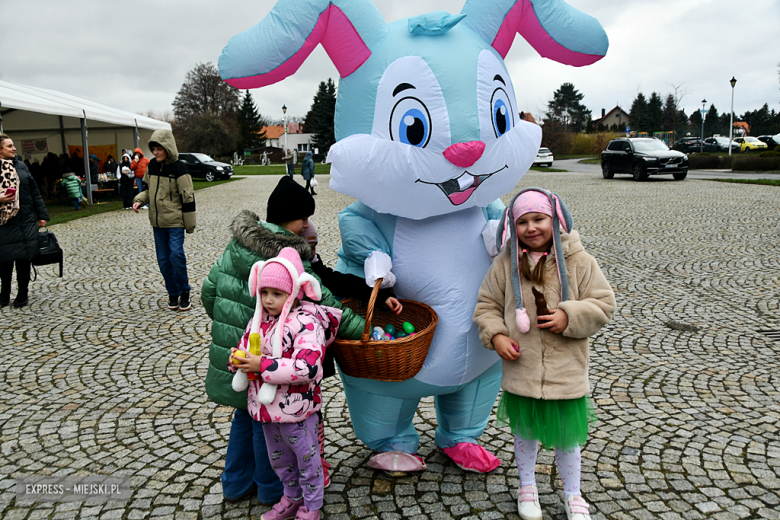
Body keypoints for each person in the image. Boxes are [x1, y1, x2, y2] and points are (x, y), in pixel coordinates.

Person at [201, 176, 365, 504]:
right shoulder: (288, 259)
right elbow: (325, 305)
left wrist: (229, 325)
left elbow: (208, 293)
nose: (307, 224)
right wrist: (363, 329)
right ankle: (270, 488)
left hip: (236, 353)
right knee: (266, 421)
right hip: (268, 359)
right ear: (287, 218)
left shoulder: (234, 246)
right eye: (303, 217)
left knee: (243, 416)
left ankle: (233, 484)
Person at [473, 188, 616, 520]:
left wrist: (571, 316)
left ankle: (572, 493)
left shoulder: (580, 261)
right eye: (523, 222)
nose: (531, 228)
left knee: (568, 439)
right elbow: (487, 305)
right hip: (522, 367)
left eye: (539, 219)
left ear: (555, 220)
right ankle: (527, 486)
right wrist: (495, 336)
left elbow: (603, 303)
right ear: (512, 226)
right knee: (524, 433)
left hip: (566, 371)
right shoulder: (506, 264)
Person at [229, 247, 338, 520]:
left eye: (276, 294)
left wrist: (262, 366)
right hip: (267, 411)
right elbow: (245, 349)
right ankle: (291, 498)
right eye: (264, 292)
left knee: (307, 460)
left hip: (297, 411)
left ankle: (312, 506)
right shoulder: (259, 322)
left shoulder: (305, 322)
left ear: (293, 293)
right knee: (280, 460)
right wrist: (238, 361)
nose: (268, 300)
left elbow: (308, 366)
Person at [132, 129, 195, 311]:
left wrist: (189, 224)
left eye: (160, 148)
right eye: (154, 149)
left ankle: (184, 292)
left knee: (176, 255)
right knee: (163, 260)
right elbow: (147, 190)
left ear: (168, 147)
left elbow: (188, 197)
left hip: (175, 222)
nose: (156, 152)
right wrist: (138, 200)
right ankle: (172, 293)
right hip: (157, 223)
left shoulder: (180, 168)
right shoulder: (151, 166)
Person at [0, 134, 50, 308]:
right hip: (4, 222)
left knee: (23, 260)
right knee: (4, 261)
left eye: (13, 145)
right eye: (9, 146)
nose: (14, 149)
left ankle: (23, 294)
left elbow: (34, 192)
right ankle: (4, 295)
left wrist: (42, 214)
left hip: (25, 219)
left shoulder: (21, 166)